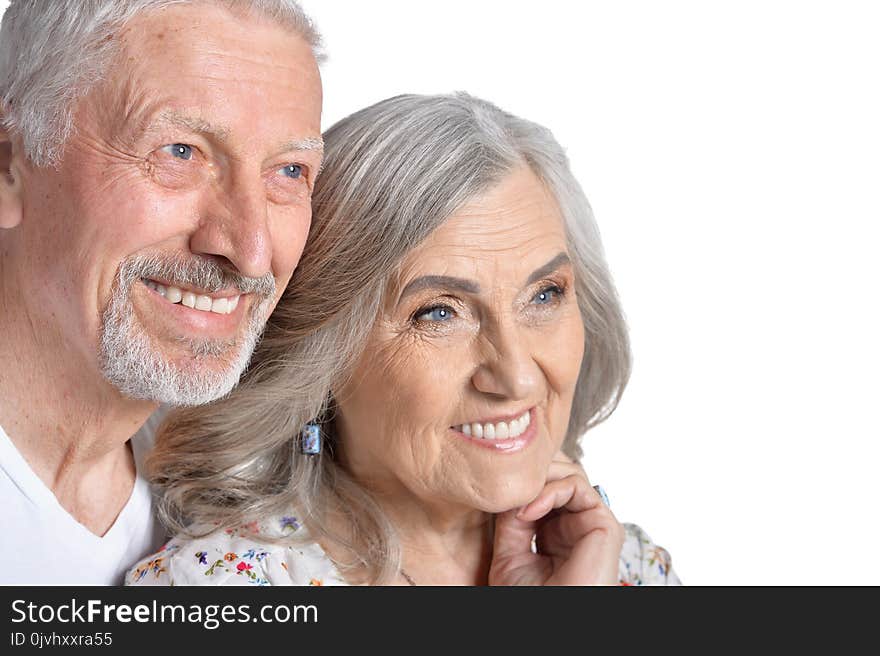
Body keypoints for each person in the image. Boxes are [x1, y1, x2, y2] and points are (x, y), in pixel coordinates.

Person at [127, 93, 680, 586]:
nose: (517, 376)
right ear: (326, 352)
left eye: (544, 295)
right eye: (439, 313)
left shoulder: (626, 569)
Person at [0, 0, 324, 584]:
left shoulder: (239, 508)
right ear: (8, 163)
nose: (250, 250)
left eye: (289, 171)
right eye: (180, 152)